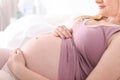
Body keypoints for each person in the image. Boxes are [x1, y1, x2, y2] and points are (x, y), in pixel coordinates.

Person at [1, 0, 120, 80]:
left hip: (22, 73)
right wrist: (58, 31)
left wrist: (20, 70)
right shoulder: (100, 18)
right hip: (16, 58)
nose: (97, 0)